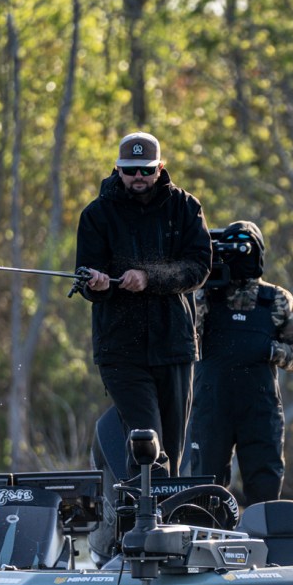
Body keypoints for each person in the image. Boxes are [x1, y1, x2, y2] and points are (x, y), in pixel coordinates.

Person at [75, 131, 212, 476]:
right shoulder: (96, 215)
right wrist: (97, 284)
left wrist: (149, 278)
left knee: (172, 449)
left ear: (160, 168)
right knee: (145, 441)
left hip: (174, 345)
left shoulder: (186, 207)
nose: (138, 176)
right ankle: (139, 506)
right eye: (130, 169)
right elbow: (87, 278)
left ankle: (162, 508)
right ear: (117, 169)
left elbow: (198, 268)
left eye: (146, 170)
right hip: (120, 349)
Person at [188, 220, 293, 504]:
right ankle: (211, 532)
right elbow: (183, 341)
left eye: (243, 249)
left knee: (265, 489)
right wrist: (199, 284)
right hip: (212, 408)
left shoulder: (277, 299)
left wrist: (270, 350)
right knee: (206, 493)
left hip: (259, 412)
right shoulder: (204, 295)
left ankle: (263, 532)